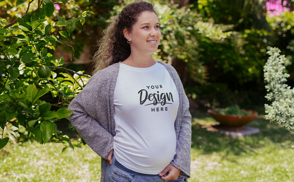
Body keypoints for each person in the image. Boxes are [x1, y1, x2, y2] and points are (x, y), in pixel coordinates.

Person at [68, 1, 191, 182]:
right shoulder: (110, 77)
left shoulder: (169, 73)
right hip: (126, 176)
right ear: (128, 34)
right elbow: (75, 110)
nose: (154, 33)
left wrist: (180, 163)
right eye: (145, 27)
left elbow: (184, 117)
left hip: (171, 177)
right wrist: (106, 145)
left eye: (157, 27)